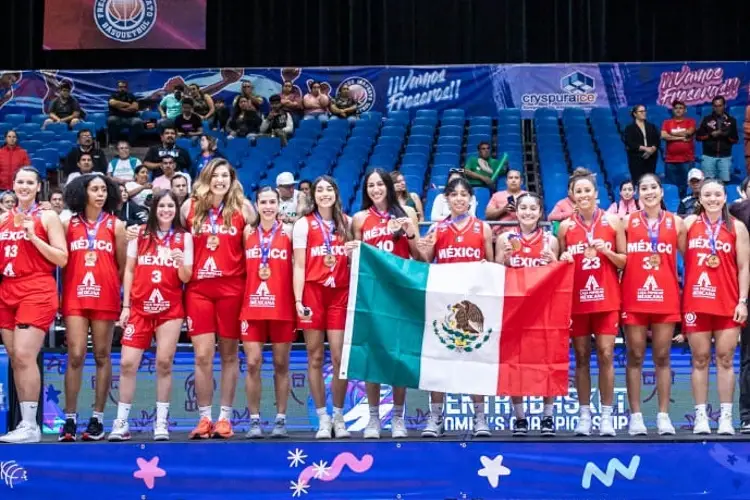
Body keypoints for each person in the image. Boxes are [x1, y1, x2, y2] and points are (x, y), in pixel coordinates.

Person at [181, 158, 256, 439]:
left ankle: (224, 418)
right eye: (215, 175)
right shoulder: (189, 207)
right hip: (199, 289)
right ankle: (204, 418)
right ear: (206, 177)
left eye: (225, 175)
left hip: (232, 288)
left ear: (232, 179)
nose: (220, 180)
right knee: (202, 355)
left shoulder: (243, 209)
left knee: (228, 355)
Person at [110, 191, 192, 442]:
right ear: (154, 208)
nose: (166, 210)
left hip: (170, 309)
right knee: (127, 363)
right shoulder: (140, 233)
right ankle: (121, 422)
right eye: (162, 205)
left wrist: (180, 263)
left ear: (176, 209)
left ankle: (161, 422)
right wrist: (125, 306)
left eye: (171, 205)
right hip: (140, 308)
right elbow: (130, 270)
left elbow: (186, 278)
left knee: (164, 363)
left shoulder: (184, 237)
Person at [416, 177, 494, 438]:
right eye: (454, 194)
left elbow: (493, 269)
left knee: (475, 361)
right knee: (438, 363)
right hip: (445, 306)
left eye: (464, 194)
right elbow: (425, 261)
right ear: (446, 199)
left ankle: (480, 417)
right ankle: (436, 416)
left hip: (475, 308)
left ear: (471, 199)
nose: (459, 198)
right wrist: (421, 246)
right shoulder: (438, 228)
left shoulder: (483, 228)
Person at [351, 168, 421, 439]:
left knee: (397, 357)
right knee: (372, 356)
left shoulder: (406, 214)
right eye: (371, 185)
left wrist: (410, 233)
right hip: (371, 295)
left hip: (398, 296)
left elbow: (419, 256)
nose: (376, 189)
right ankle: (373, 418)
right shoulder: (359, 219)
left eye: (380, 184)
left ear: (389, 187)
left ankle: (398, 418)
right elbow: (354, 259)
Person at [0, 168, 67, 443]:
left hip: (36, 288)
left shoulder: (47, 216)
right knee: (16, 358)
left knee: (26, 356)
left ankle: (31, 425)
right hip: (7, 289)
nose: (24, 186)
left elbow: (62, 258)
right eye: (20, 182)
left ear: (38, 186)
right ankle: (24, 424)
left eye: (30, 182)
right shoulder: (3, 219)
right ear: (12, 185)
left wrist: (34, 237)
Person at [558, 168, 626, 437]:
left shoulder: (613, 222)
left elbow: (625, 261)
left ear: (596, 194)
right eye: (579, 191)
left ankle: (606, 416)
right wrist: (562, 260)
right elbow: (560, 263)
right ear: (571, 196)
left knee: (607, 355)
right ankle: (585, 415)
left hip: (607, 298)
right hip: (577, 301)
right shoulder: (565, 226)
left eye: (588, 190)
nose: (584, 195)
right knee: (582, 358)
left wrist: (607, 250)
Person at [59, 174, 126, 442]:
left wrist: (108, 284)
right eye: (93, 189)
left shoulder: (116, 225)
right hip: (75, 296)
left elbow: (121, 266)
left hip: (105, 297)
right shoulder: (67, 224)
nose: (99, 194)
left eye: (103, 189)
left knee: (102, 355)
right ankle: (70, 419)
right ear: (82, 192)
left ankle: (97, 418)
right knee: (75, 355)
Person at [682, 179, 749, 435]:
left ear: (725, 197)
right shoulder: (688, 225)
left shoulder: (737, 227)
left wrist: (742, 301)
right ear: (700, 199)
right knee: (699, 359)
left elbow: (744, 267)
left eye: (717, 195)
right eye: (707, 195)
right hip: (696, 300)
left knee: (725, 359)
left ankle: (725, 418)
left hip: (727, 301)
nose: (712, 199)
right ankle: (701, 416)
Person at [292, 176, 357, 439]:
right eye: (319, 190)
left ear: (336, 193)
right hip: (313, 292)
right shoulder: (302, 225)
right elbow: (298, 265)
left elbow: (354, 263)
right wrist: (298, 300)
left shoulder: (347, 222)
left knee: (341, 359)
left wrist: (353, 256)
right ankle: (322, 417)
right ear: (313, 196)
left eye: (329, 189)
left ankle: (339, 417)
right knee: (315, 357)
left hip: (339, 294)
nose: (324, 194)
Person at [621, 173, 684, 436]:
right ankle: (636, 417)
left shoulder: (677, 223)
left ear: (661, 191)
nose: (649, 192)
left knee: (662, 356)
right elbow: (619, 261)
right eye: (643, 188)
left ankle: (663, 416)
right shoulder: (625, 222)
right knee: (634, 356)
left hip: (666, 297)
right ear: (637, 193)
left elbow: (691, 260)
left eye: (653, 187)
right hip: (634, 297)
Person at [495, 192, 559, 437]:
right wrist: (506, 260)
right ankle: (519, 416)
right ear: (516, 211)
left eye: (533, 208)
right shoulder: (505, 239)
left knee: (547, 363)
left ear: (540, 212)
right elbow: (497, 271)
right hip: (515, 311)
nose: (528, 212)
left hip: (544, 311)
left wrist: (553, 261)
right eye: (523, 208)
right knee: (515, 364)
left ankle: (548, 416)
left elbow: (558, 276)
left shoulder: (549, 241)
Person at [240, 187, 295, 438]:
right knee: (253, 363)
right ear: (257, 204)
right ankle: (254, 421)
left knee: (281, 364)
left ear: (279, 205)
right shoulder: (247, 233)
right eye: (264, 202)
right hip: (252, 306)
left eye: (273, 202)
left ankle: (281, 420)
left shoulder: (290, 232)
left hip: (282, 306)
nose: (269, 206)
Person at [696, 96, 739, 182]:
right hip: (708, 157)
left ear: (724, 106)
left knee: (724, 184)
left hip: (725, 157)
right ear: (713, 107)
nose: (718, 108)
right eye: (716, 106)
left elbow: (735, 140)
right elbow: (698, 137)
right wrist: (711, 135)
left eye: (720, 105)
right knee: (708, 183)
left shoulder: (732, 121)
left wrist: (725, 135)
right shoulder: (706, 119)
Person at [661, 100, 696, 197]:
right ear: (673, 110)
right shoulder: (667, 122)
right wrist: (681, 137)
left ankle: (685, 206)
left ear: (685, 110)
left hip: (687, 160)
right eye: (676, 108)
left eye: (681, 108)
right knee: (671, 186)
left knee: (687, 186)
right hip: (670, 160)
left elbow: (688, 132)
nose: (678, 110)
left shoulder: (690, 121)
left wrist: (671, 134)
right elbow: (664, 135)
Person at [624, 105, 660, 182]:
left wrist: (652, 150)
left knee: (650, 180)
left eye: (644, 111)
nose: (644, 113)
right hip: (637, 159)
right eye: (641, 111)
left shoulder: (651, 126)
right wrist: (646, 149)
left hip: (651, 159)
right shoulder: (629, 128)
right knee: (638, 181)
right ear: (635, 114)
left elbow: (657, 140)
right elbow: (630, 143)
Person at [485, 169, 527, 235]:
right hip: (500, 233)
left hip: (523, 233)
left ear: (521, 181)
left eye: (516, 178)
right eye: (510, 178)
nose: (513, 180)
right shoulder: (497, 195)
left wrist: (519, 210)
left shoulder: (528, 196)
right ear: (506, 181)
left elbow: (539, 216)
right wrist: (503, 209)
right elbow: (488, 215)